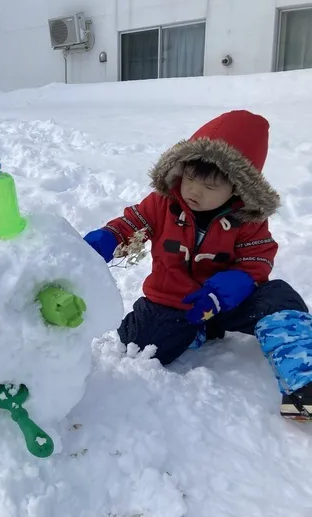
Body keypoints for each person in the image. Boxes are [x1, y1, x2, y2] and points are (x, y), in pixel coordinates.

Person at [83, 110, 312, 419]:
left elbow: (258, 257)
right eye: (190, 178)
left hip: (228, 302)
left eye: (209, 186)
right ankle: (197, 330)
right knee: (140, 345)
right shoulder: (164, 202)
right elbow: (134, 221)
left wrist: (239, 281)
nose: (193, 191)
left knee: (280, 297)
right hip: (178, 302)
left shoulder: (248, 218)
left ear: (237, 188)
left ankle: (303, 383)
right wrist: (110, 236)